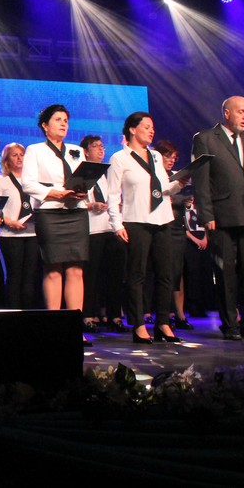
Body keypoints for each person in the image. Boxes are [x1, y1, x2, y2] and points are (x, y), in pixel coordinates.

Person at [192, 96, 244, 340]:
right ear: (226, 113)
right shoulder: (205, 138)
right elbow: (201, 180)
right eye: (241, 111)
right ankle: (230, 324)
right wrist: (206, 214)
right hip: (222, 216)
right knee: (226, 272)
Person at [106, 112, 183, 344]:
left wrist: (180, 183)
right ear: (132, 129)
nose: (151, 131)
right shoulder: (120, 158)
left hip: (162, 219)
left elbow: (163, 188)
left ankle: (163, 323)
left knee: (165, 274)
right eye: (147, 127)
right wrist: (116, 223)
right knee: (137, 275)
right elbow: (113, 194)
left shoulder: (156, 156)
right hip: (136, 220)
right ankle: (138, 324)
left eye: (152, 127)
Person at [20, 104, 89, 341]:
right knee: (53, 268)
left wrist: (83, 191)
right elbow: (28, 184)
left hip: (76, 212)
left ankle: (75, 328)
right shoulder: (35, 150)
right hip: (50, 212)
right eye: (58, 119)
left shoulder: (76, 150)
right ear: (45, 125)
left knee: (76, 270)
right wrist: (54, 193)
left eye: (66, 120)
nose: (63, 124)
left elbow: (85, 179)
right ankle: (54, 327)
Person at [80, 135, 126, 333]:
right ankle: (88, 314)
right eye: (95, 146)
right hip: (92, 229)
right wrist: (92, 205)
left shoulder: (105, 173)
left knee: (114, 274)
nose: (100, 150)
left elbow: (113, 197)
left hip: (110, 227)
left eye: (102, 146)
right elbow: (75, 201)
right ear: (85, 151)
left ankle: (113, 314)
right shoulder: (81, 172)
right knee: (91, 275)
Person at [0, 142, 39, 310]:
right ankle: (13, 312)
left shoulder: (33, 181)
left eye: (22, 154)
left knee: (30, 278)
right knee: (14, 276)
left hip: (32, 234)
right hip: (10, 235)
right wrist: (8, 221)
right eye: (14, 155)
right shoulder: (0, 182)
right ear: (6, 160)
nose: (19, 158)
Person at [156, 139, 194, 330]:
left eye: (174, 157)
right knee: (164, 271)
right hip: (163, 225)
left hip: (178, 227)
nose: (171, 160)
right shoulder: (155, 175)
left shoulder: (176, 176)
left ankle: (179, 314)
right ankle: (164, 313)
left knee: (178, 272)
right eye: (168, 156)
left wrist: (185, 201)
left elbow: (182, 197)